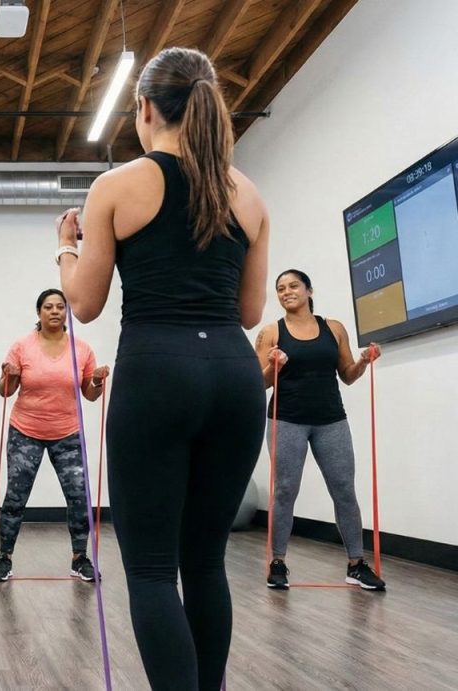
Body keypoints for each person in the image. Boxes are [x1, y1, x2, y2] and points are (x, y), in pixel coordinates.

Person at [55, 47, 270, 690]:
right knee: (205, 564)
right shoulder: (248, 193)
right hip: (233, 374)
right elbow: (251, 309)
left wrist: (65, 248)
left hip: (156, 371)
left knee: (151, 570)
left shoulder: (118, 186)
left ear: (146, 108)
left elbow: (85, 305)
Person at [255, 269, 385, 591]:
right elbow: (257, 382)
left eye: (293, 286)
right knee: (285, 491)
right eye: (281, 288)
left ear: (309, 290)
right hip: (286, 419)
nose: (287, 292)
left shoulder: (334, 328)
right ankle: (278, 563)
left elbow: (347, 375)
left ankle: (356, 565)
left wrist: (363, 361)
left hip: (331, 420)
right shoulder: (271, 332)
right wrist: (274, 365)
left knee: (344, 491)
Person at [0, 289, 110, 582]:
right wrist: (10, 374)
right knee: (16, 496)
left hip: (67, 433)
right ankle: (4, 557)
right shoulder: (22, 346)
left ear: (66, 313)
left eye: (60, 307)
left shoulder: (81, 349)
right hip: (25, 431)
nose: (55, 311)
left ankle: (80, 558)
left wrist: (95, 381)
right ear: (39, 312)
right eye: (48, 307)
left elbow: (90, 395)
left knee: (79, 496)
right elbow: (5, 391)